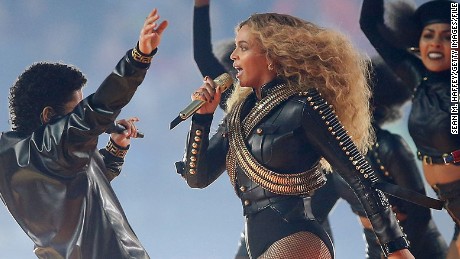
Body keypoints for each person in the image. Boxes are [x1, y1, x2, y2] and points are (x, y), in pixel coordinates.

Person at [176, 12, 414, 258]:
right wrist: (202, 118)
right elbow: (198, 178)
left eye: (243, 48)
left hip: (298, 241)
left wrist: (396, 247)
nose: (233, 56)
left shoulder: (304, 107)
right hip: (257, 242)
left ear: (272, 55)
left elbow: (360, 177)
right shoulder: (238, 116)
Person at [0, 7, 168, 259]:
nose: (84, 121)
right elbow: (99, 108)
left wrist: (115, 149)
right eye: (76, 111)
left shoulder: (17, 156)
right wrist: (138, 57)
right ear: (49, 116)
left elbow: (82, 191)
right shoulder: (53, 147)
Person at [360, 0, 459, 257]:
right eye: (429, 35)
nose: (436, 42)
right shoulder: (418, 78)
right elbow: (370, 25)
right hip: (449, 203)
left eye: (448, 37)